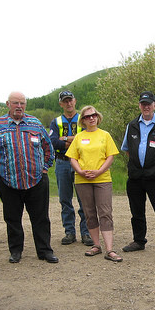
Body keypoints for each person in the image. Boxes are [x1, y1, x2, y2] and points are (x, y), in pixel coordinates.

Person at [0, 91, 57, 264]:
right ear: (8, 104)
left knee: (41, 218)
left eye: (22, 103)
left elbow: (49, 149)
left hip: (36, 180)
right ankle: (16, 251)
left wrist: (45, 169)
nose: (19, 106)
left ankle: (45, 251)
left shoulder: (35, 124)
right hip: (8, 182)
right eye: (15, 103)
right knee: (13, 219)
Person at [120, 91, 155, 258]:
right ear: (139, 106)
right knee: (136, 212)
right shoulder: (131, 125)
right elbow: (126, 149)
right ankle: (138, 241)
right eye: (143, 104)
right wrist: (138, 163)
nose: (146, 106)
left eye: (149, 103)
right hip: (136, 178)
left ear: (154, 105)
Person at [65, 106, 121, 261]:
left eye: (94, 115)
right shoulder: (78, 137)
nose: (91, 118)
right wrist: (80, 171)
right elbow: (73, 158)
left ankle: (110, 249)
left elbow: (110, 157)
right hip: (82, 180)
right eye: (88, 116)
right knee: (89, 213)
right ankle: (96, 245)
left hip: (102, 179)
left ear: (98, 117)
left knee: (105, 212)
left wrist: (99, 171)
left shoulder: (105, 135)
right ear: (83, 120)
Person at [49, 90, 93, 247]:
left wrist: (66, 139)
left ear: (75, 101)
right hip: (62, 162)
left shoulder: (83, 119)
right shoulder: (56, 121)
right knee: (65, 199)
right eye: (65, 101)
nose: (68, 103)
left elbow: (87, 138)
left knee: (84, 199)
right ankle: (69, 232)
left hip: (81, 162)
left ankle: (86, 232)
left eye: (70, 100)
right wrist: (75, 141)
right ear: (61, 104)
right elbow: (53, 142)